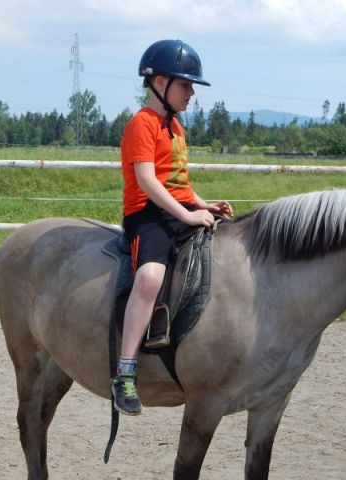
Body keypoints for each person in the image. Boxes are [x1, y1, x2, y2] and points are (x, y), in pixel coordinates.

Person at [114, 39, 233, 416]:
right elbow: (148, 182)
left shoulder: (176, 126)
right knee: (149, 277)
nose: (192, 93)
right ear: (160, 82)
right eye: (186, 84)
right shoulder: (142, 124)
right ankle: (126, 371)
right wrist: (186, 216)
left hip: (178, 209)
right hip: (147, 215)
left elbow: (179, 181)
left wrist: (203, 204)